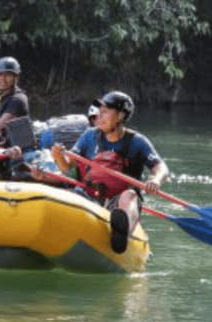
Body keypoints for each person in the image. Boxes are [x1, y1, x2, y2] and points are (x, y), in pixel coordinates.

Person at [49, 90, 169, 254]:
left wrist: (156, 180)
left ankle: (122, 234)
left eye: (105, 112)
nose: (100, 116)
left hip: (118, 200)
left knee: (130, 196)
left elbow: (161, 168)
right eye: (100, 112)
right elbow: (66, 166)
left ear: (120, 116)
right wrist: (58, 157)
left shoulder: (137, 141)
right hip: (91, 194)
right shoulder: (89, 135)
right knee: (71, 194)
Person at [0, 56, 30, 136]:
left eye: (7, 75)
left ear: (16, 78)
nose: (2, 79)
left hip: (12, 145)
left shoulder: (18, 99)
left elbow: (2, 124)